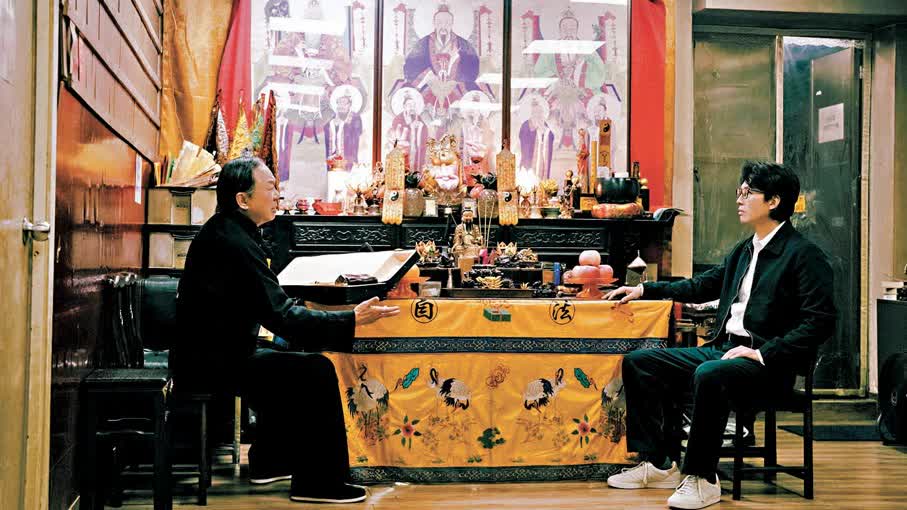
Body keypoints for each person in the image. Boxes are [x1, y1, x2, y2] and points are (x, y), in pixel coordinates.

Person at [603, 161, 836, 509]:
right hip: (727, 350)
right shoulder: (745, 250)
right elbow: (701, 286)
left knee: (710, 373)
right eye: (739, 191)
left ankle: (702, 479)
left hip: (769, 364)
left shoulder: (804, 255)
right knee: (641, 362)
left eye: (747, 192)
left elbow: (821, 321)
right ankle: (659, 464)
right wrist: (644, 290)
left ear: (774, 201)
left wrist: (762, 353)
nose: (739, 199)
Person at [171, 157, 400, 504]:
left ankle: (270, 462)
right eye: (270, 187)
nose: (278, 195)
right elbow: (280, 314)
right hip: (209, 362)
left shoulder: (230, 230)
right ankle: (318, 484)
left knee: (287, 357)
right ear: (242, 199)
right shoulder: (232, 241)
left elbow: (268, 304)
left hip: (216, 352)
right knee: (315, 370)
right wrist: (351, 319)